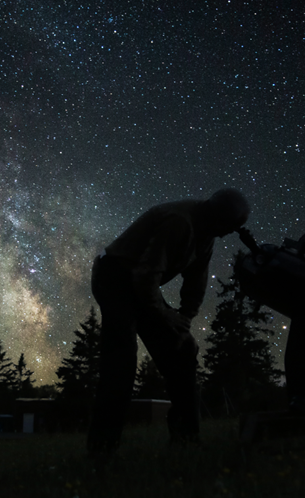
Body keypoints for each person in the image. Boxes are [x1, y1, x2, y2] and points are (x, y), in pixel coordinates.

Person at [87, 188, 251, 456]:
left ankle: (186, 440)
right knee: (121, 362)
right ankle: (102, 450)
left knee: (182, 350)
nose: (227, 234)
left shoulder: (208, 234)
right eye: (227, 227)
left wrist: (183, 321)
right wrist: (166, 316)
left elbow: (196, 282)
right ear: (215, 215)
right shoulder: (179, 222)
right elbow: (144, 276)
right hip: (115, 278)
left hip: (141, 285)